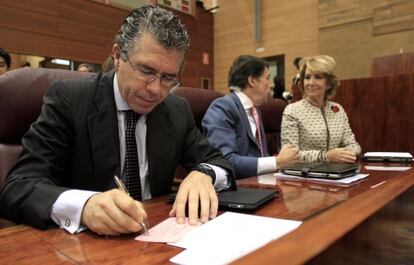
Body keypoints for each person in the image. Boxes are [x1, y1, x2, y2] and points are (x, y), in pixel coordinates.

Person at [0, 5, 235, 236]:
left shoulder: (176, 109)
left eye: (168, 78)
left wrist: (204, 174)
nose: (155, 90)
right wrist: (84, 206)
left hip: (159, 235)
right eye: (146, 71)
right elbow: (18, 188)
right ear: (117, 56)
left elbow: (219, 162)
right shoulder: (70, 100)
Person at [202, 55, 299, 179]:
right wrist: (277, 162)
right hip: (239, 191)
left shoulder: (254, 109)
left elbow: (261, 155)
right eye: (267, 78)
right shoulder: (222, 107)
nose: (271, 85)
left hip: (261, 183)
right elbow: (224, 161)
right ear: (252, 80)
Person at [281, 55, 361, 163]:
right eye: (307, 77)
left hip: (336, 173)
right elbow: (290, 155)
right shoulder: (292, 111)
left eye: (318, 77)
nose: (311, 83)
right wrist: (326, 156)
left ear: (328, 84)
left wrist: (346, 154)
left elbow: (353, 145)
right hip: (305, 174)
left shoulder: (337, 109)